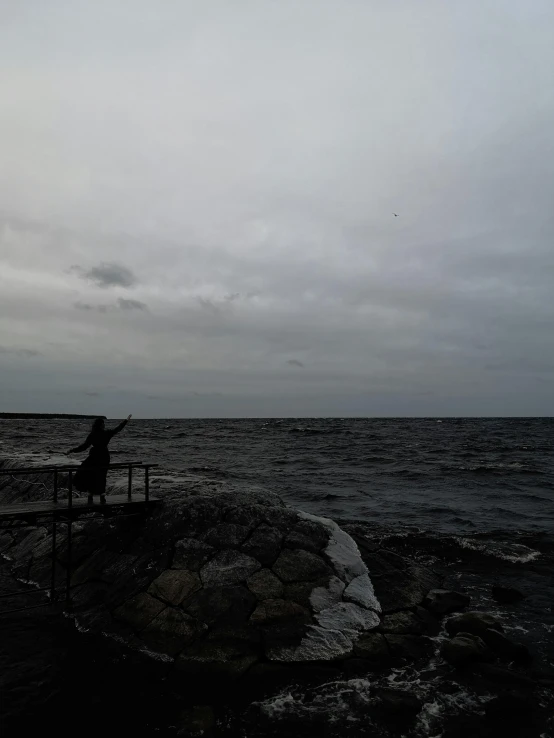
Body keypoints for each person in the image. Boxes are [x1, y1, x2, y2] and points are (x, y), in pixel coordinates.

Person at [68, 415, 132, 504]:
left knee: (88, 473)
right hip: (104, 456)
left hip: (94, 456)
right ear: (101, 425)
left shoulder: (92, 434)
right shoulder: (106, 433)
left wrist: (72, 450)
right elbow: (117, 429)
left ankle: (90, 495)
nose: (104, 425)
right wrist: (126, 421)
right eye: (103, 424)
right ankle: (102, 496)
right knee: (102, 476)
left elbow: (84, 446)